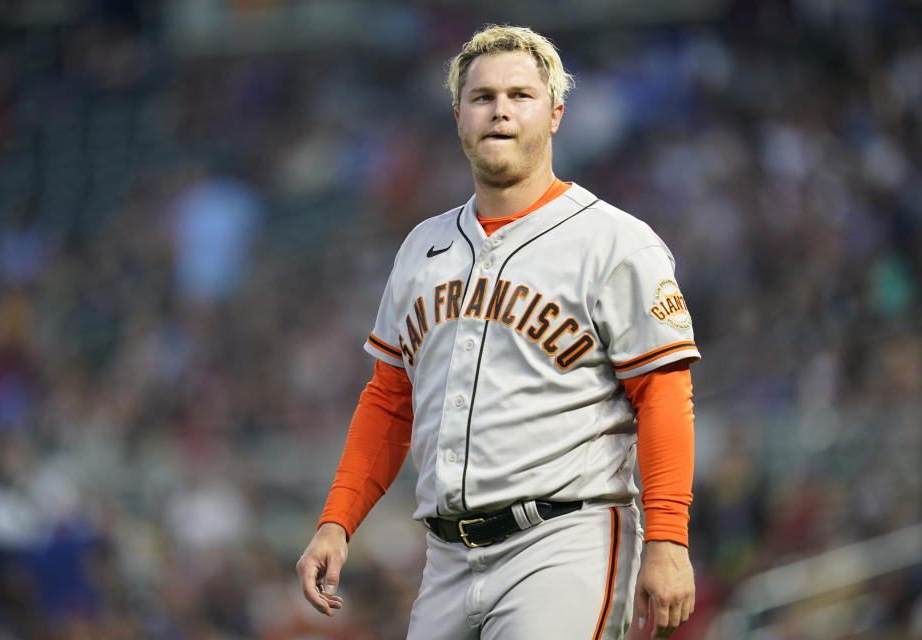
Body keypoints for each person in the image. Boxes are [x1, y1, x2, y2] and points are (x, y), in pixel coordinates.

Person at [296, 24, 699, 639]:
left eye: (521, 95)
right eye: (483, 97)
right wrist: (337, 522)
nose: (500, 110)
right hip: (446, 558)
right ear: (459, 116)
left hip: (565, 541)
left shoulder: (615, 242)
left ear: (557, 113)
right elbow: (388, 398)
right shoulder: (423, 246)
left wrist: (668, 538)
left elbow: (663, 396)